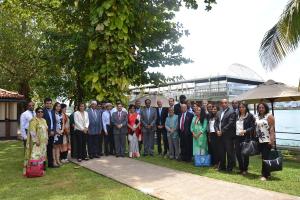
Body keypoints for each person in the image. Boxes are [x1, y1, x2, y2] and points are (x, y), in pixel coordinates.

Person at [23, 107, 48, 176]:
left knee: (42, 155)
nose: (40, 113)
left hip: (43, 142)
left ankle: (40, 169)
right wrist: (36, 140)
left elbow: (46, 131)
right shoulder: (33, 120)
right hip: (37, 142)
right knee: (35, 156)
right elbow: (32, 131)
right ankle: (33, 170)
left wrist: (47, 139)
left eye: (42, 112)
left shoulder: (44, 120)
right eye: (38, 112)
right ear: (36, 113)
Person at [214, 99, 236, 172]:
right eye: (222, 103)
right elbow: (216, 123)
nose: (224, 104)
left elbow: (231, 123)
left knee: (229, 153)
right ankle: (222, 167)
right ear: (221, 104)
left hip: (228, 136)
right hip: (219, 136)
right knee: (221, 152)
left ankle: (229, 168)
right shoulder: (218, 112)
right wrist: (217, 130)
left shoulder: (232, 112)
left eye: (225, 103)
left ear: (228, 104)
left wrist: (222, 131)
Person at [255, 102, 275, 181]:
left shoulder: (269, 116)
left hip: (267, 140)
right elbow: (256, 127)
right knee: (264, 157)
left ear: (265, 108)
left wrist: (272, 140)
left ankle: (264, 175)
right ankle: (268, 173)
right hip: (259, 139)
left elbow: (272, 129)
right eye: (259, 107)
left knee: (265, 158)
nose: (261, 109)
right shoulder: (257, 116)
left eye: (262, 107)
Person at [235, 102, 256, 175]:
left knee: (245, 153)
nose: (241, 109)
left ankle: (245, 169)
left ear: (246, 108)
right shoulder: (237, 115)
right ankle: (241, 169)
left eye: (243, 107)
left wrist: (245, 131)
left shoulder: (250, 116)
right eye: (240, 107)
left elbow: (253, 127)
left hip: (245, 137)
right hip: (237, 137)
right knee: (238, 153)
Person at [43, 98, 56, 168]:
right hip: (45, 133)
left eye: (50, 103)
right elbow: (42, 123)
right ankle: (43, 165)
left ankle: (51, 164)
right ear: (45, 104)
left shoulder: (53, 111)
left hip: (52, 133)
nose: (49, 104)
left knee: (50, 149)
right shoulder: (42, 111)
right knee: (44, 149)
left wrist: (53, 130)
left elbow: (54, 122)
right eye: (47, 103)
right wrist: (49, 131)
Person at [53, 102, 63, 167]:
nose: (58, 108)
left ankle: (58, 160)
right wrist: (57, 132)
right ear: (55, 107)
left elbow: (62, 123)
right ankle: (54, 161)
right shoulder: (53, 113)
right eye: (57, 106)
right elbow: (53, 124)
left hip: (60, 132)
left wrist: (62, 130)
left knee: (58, 147)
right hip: (55, 133)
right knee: (54, 147)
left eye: (59, 106)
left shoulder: (60, 114)